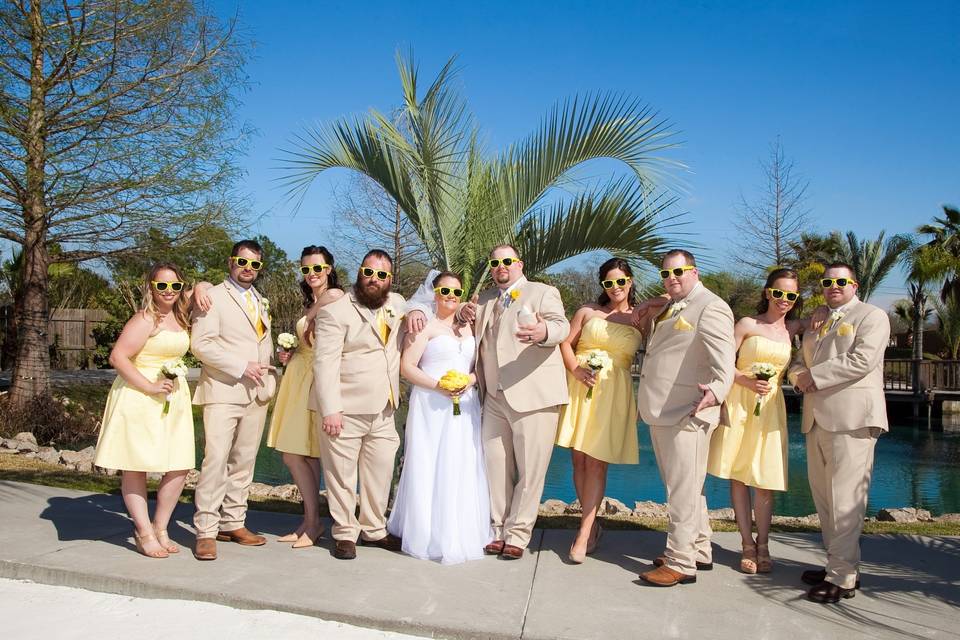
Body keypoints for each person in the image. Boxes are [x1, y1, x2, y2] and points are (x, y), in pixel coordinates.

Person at [458, 244, 570, 560]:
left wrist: (543, 330)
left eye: (507, 261)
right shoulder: (483, 299)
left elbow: (561, 326)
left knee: (531, 472)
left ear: (519, 264)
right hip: (493, 396)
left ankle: (518, 535)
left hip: (534, 395)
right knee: (495, 466)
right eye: (494, 263)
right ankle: (497, 531)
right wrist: (463, 313)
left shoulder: (543, 292)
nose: (500, 267)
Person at [788, 263, 890, 604]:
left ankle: (843, 578)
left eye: (840, 281)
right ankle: (839, 565)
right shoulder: (818, 320)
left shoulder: (872, 316)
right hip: (816, 419)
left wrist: (812, 376)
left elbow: (862, 360)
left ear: (854, 284)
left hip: (853, 420)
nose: (833, 286)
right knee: (826, 500)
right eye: (828, 281)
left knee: (846, 500)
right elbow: (797, 364)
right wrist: (797, 375)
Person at [94, 263, 210, 558]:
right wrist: (148, 386)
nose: (168, 291)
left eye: (175, 286)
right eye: (162, 286)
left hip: (173, 399)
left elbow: (206, 289)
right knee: (137, 465)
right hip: (140, 397)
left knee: (180, 464)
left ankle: (161, 526)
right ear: (151, 288)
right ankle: (144, 531)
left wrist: (201, 287)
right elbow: (118, 357)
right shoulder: (146, 319)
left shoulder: (181, 317)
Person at [555, 258, 667, 563]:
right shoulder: (588, 311)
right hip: (581, 387)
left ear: (630, 281)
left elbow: (672, 298)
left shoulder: (642, 317)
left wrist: (647, 303)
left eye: (621, 281)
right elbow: (565, 343)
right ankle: (591, 527)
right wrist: (576, 369)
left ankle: (583, 534)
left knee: (596, 464)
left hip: (614, 393)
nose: (615, 288)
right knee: (578, 460)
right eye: (609, 283)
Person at [635, 249, 736, 587]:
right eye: (666, 273)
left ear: (695, 271)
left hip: (688, 411)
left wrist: (717, 392)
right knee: (689, 488)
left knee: (682, 491)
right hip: (664, 410)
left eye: (679, 271)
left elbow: (725, 360)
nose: (672, 278)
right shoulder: (672, 305)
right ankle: (700, 550)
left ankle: (681, 563)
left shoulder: (711, 306)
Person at [387, 271, 491, 564]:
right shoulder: (423, 326)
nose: (449, 297)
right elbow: (407, 366)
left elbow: (479, 367)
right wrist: (439, 386)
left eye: (455, 293)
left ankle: (462, 531)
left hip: (465, 404)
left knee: (462, 462)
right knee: (430, 462)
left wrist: (469, 381)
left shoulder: (470, 329)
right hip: (432, 404)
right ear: (434, 293)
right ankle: (427, 533)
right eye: (444, 291)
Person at [707, 268, 803, 574]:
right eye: (778, 293)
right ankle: (746, 543)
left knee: (764, 479)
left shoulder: (794, 328)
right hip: (741, 402)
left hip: (770, 408)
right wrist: (746, 381)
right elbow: (723, 362)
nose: (784, 300)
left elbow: (826, 318)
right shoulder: (747, 324)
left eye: (791, 295)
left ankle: (764, 543)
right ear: (767, 292)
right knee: (739, 475)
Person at [312, 249, 406, 560]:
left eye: (382, 275)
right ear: (359, 273)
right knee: (341, 475)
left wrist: (419, 311)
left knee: (379, 474)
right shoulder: (336, 311)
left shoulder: (398, 304)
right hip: (345, 410)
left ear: (390, 279)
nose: (374, 279)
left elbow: (424, 303)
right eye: (369, 272)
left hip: (384, 408)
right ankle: (344, 533)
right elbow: (324, 364)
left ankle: (375, 529)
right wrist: (330, 410)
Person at [191, 240, 279, 561]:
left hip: (256, 394)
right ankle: (205, 529)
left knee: (244, 462)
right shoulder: (212, 296)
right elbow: (201, 344)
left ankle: (233, 522)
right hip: (223, 390)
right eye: (243, 262)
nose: (248, 269)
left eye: (255, 265)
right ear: (231, 262)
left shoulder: (260, 300)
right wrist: (241, 366)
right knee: (215, 460)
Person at [266, 245, 343, 548]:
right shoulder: (312, 300)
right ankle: (310, 522)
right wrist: (292, 352)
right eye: (306, 269)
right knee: (304, 453)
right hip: (298, 377)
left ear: (329, 269)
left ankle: (314, 523)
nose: (312, 274)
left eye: (318, 268)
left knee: (294, 453)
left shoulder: (334, 297)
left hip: (316, 379)